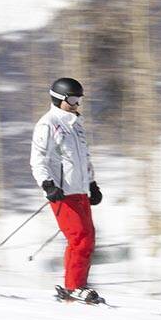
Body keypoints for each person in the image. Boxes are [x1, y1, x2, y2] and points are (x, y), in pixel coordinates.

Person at [30, 77, 105, 304]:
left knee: (88, 238)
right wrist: (47, 184)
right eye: (72, 99)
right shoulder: (48, 124)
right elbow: (38, 159)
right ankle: (74, 287)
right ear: (59, 98)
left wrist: (91, 184)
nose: (76, 104)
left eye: (79, 99)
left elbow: (84, 159)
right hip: (62, 192)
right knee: (79, 238)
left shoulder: (76, 125)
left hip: (80, 190)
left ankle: (77, 284)